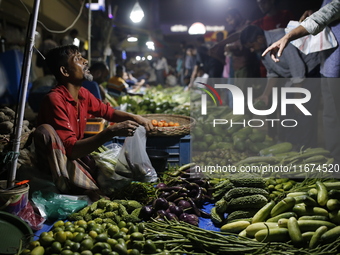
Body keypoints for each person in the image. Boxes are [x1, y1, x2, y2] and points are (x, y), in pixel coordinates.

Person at [33, 45, 153, 199]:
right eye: (77, 59)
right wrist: (110, 132)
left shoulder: (83, 94)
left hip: (73, 156)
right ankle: (75, 187)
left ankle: (85, 185)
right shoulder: (55, 100)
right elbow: (71, 150)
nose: (85, 61)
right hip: (55, 163)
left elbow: (108, 112)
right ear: (64, 71)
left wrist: (137, 118)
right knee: (45, 131)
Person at [261, 0, 340, 164]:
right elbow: (323, 14)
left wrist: (288, 36)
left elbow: (327, 13)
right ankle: (335, 161)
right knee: (330, 117)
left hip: (334, 65)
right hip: (327, 64)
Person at [240, 25, 321, 149]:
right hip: (292, 76)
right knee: (287, 111)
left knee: (304, 112)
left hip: (309, 71)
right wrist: (265, 95)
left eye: (252, 46)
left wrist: (298, 96)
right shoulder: (262, 49)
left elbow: (297, 67)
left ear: (260, 38)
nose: (251, 50)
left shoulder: (281, 39)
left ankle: (307, 150)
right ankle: (291, 145)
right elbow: (272, 73)